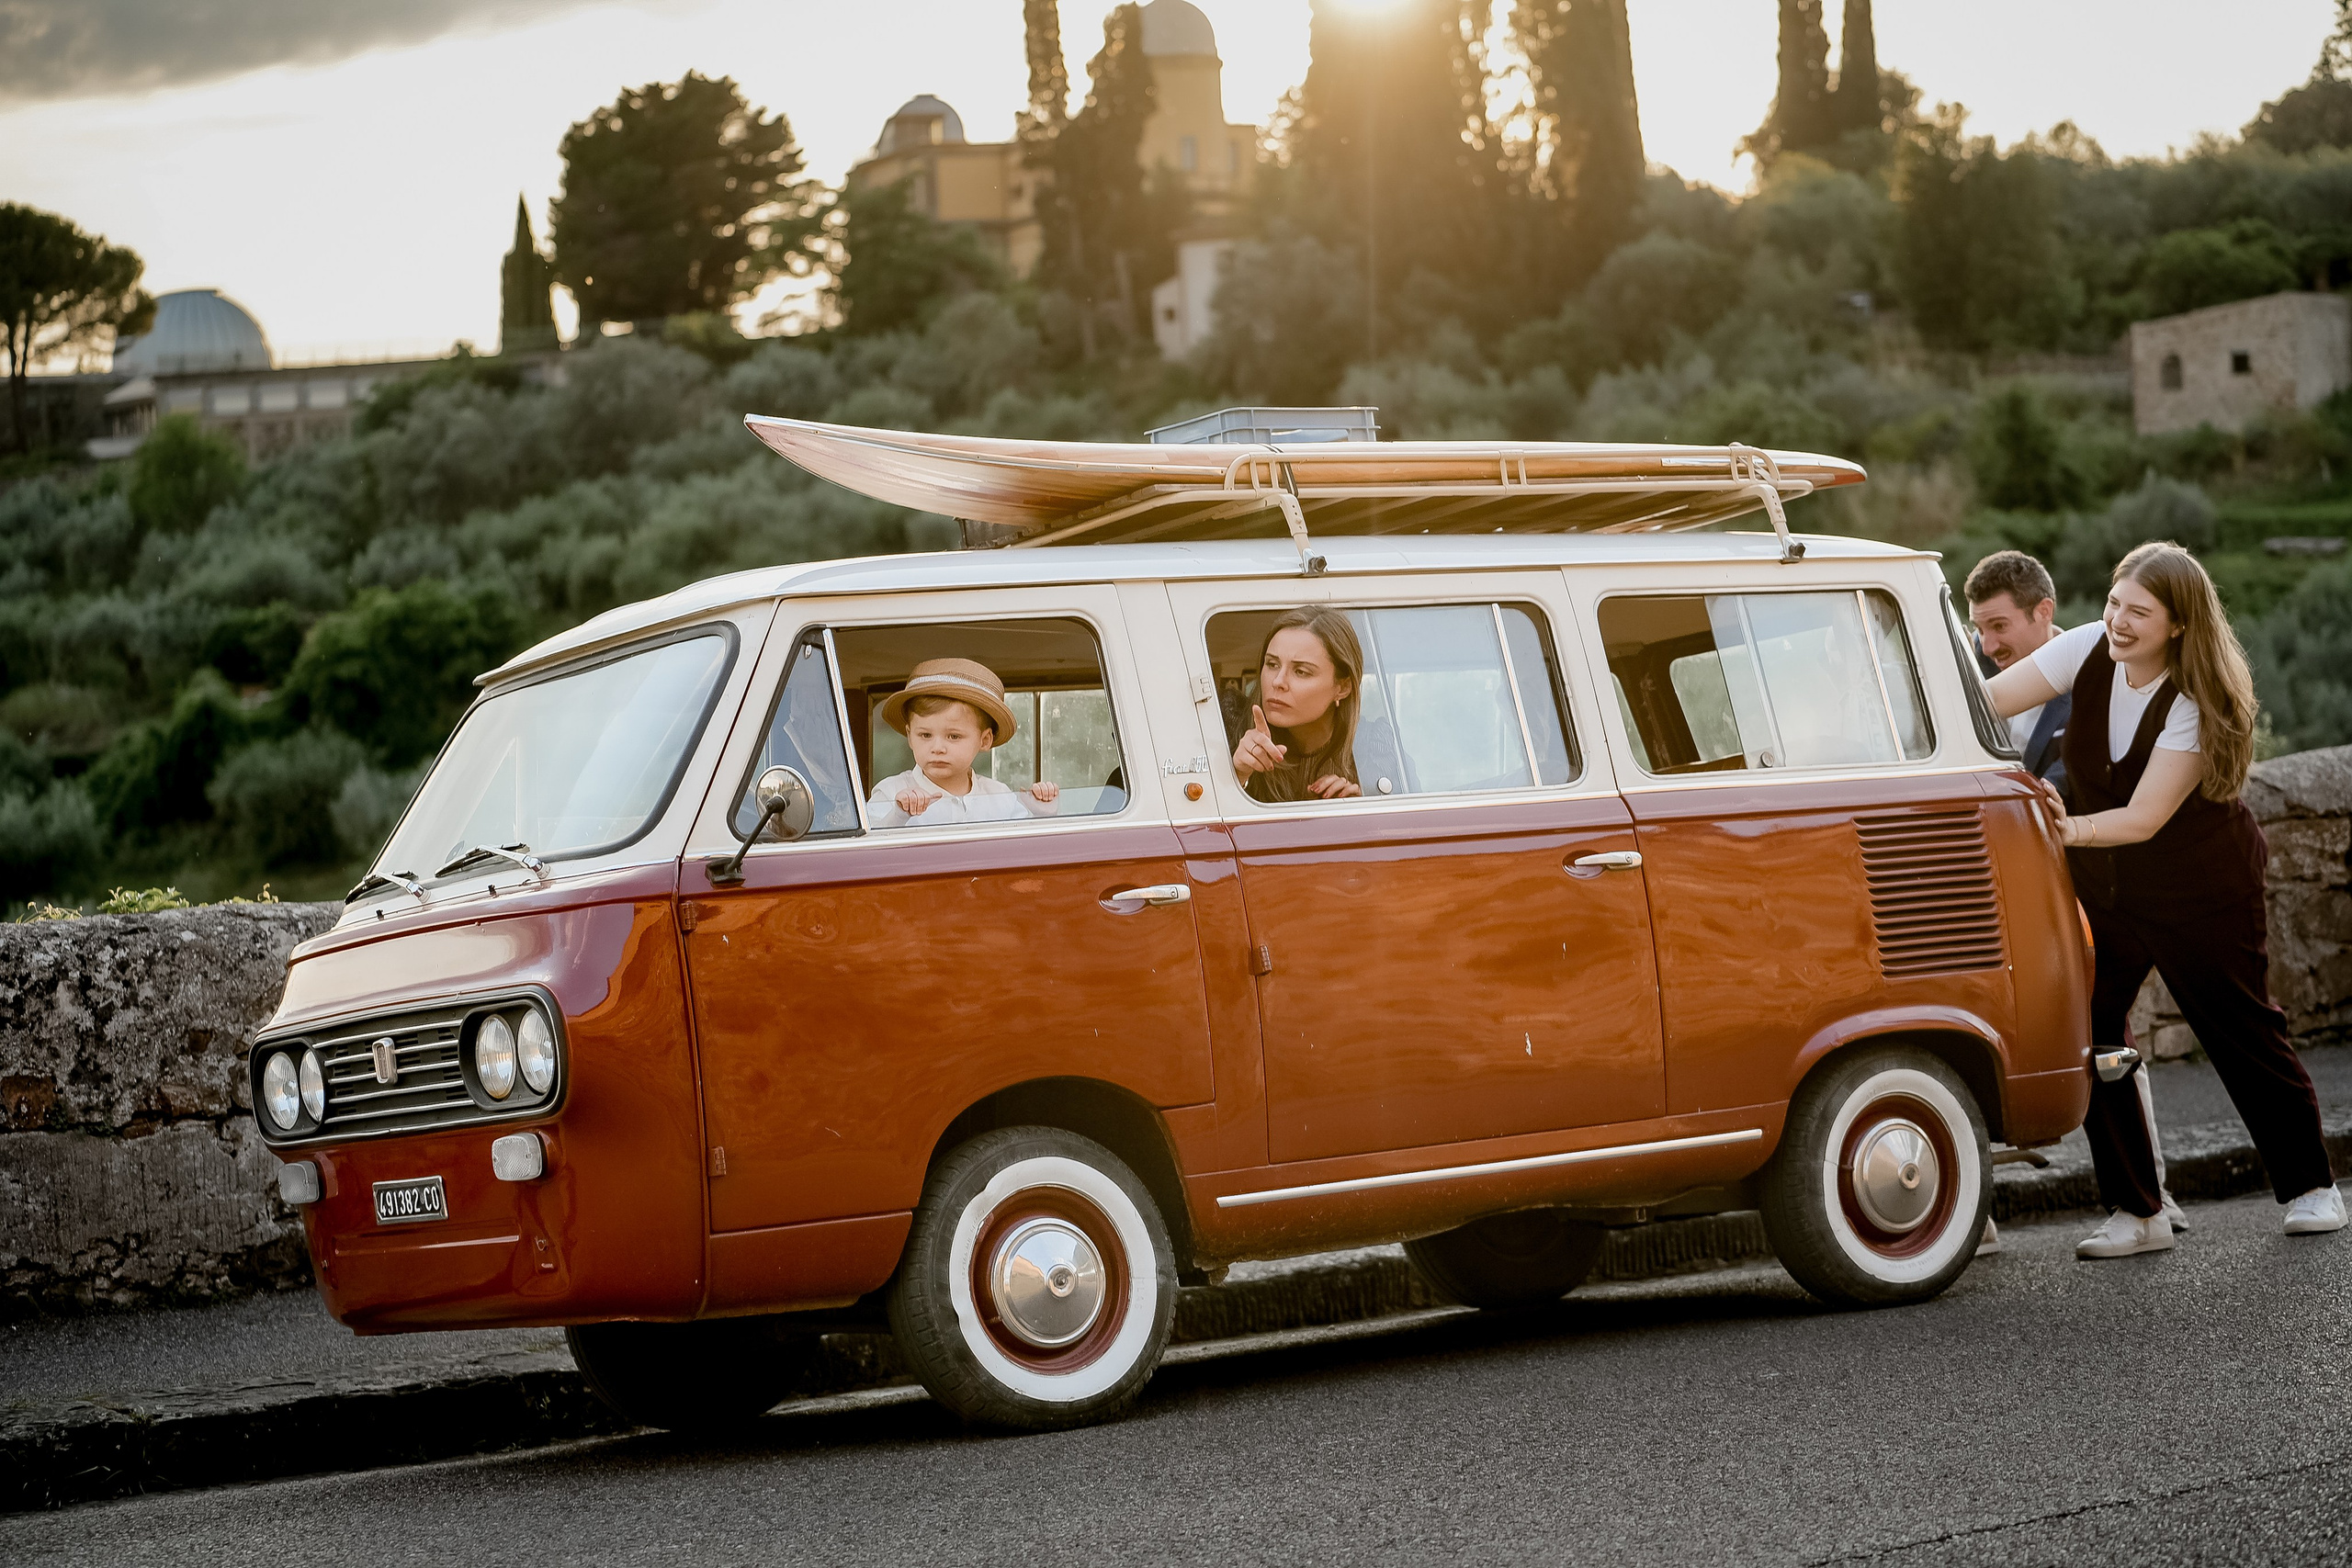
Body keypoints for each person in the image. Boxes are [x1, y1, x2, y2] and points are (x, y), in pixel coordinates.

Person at [1985, 541, 2343, 1258]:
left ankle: (2313, 1187)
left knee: (2241, 1027)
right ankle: (2139, 1209)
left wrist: (2062, 825)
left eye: (2138, 612)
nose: (2117, 620)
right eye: (2115, 601)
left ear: (2178, 624)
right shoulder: (2086, 647)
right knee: (2094, 1030)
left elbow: (2144, 817)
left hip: (2200, 886)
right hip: (2111, 888)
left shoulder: (2196, 700)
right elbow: (1986, 703)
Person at [1965, 550, 2183, 1255]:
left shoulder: (2094, 681)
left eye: (1999, 627)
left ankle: (2154, 1195)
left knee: (2103, 1035)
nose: (1988, 645)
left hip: (2090, 895)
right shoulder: (1986, 687)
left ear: (2043, 615)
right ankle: (1975, 1216)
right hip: (2002, 900)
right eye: (1978, 631)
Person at [866, 658, 1058, 828]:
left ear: (984, 740)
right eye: (925, 735)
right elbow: (865, 857)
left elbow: (1023, 852)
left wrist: (1043, 816)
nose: (937, 748)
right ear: (910, 736)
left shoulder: (999, 796)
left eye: (953, 736)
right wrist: (898, 816)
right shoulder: (891, 793)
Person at [1229, 608, 1368, 802]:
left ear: (1342, 687)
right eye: (1272, 664)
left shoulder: (1371, 749)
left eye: (1301, 671)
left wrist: (1358, 811)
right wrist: (1238, 774)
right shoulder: (1229, 726)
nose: (1278, 681)